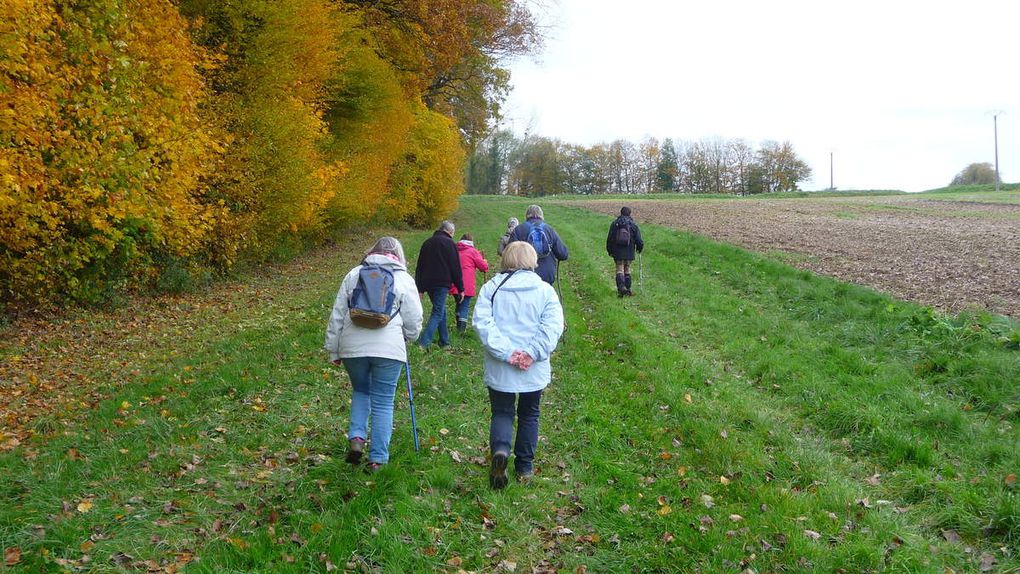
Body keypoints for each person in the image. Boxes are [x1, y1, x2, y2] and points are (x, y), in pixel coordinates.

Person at [324, 237, 424, 472]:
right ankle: (377, 459)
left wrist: (333, 349)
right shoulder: (404, 278)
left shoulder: (355, 273)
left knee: (361, 390)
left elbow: (338, 313)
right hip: (389, 349)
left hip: (352, 347)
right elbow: (414, 318)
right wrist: (410, 336)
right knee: (383, 401)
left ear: (372, 251)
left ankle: (357, 438)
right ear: (398, 255)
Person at [473, 241, 565, 489]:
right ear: (533, 260)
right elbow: (553, 326)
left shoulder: (491, 288)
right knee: (529, 414)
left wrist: (507, 353)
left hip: (501, 366)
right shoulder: (545, 290)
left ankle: (501, 451)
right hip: (532, 369)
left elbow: (482, 324)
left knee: (502, 412)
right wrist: (532, 353)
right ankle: (524, 466)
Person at [414, 220, 464, 349]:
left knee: (441, 310)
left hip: (428, 283)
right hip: (442, 283)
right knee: (437, 312)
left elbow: (420, 266)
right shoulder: (449, 243)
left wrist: (420, 288)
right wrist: (460, 288)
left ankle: (444, 341)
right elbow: (455, 267)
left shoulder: (427, 243)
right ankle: (424, 343)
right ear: (450, 231)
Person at [510, 205, 568, 285]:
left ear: (527, 215)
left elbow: (510, 256)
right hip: (546, 276)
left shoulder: (518, 229)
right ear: (541, 215)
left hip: (524, 275)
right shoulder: (549, 229)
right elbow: (563, 254)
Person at [450, 233, 489, 333]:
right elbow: (483, 267)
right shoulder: (473, 252)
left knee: (459, 303)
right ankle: (461, 331)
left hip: (454, 283)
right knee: (464, 306)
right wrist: (484, 261)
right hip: (466, 284)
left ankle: (459, 324)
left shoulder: (454, 250)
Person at [606, 206, 644, 297]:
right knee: (627, 268)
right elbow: (639, 240)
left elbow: (610, 239)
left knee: (619, 268)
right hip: (629, 251)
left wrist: (610, 250)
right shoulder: (633, 225)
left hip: (618, 251)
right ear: (629, 214)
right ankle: (628, 289)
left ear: (621, 213)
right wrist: (639, 248)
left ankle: (621, 288)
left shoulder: (615, 224)